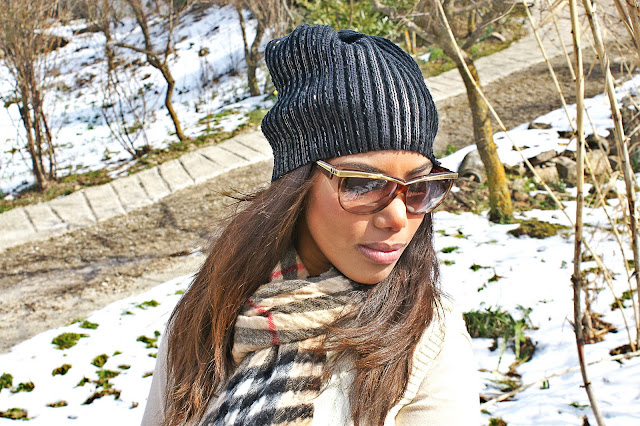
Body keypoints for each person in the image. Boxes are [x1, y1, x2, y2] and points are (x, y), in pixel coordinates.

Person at [142, 24, 479, 426]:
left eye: (419, 187)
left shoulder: (428, 338)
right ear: (297, 186)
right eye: (363, 184)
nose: (397, 218)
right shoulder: (208, 316)